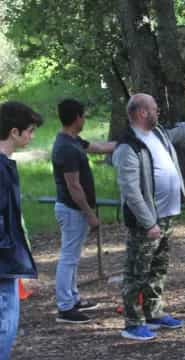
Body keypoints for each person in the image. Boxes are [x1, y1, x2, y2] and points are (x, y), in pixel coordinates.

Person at [112, 93, 185, 341]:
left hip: (167, 217)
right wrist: (148, 222)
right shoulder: (128, 147)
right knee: (137, 271)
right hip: (148, 222)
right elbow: (131, 191)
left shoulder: (159, 134)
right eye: (154, 108)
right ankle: (132, 322)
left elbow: (182, 131)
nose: (158, 111)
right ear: (141, 112)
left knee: (158, 268)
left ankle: (154, 312)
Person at [52, 99, 116, 324]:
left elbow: (98, 148)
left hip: (74, 210)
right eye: (84, 115)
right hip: (72, 210)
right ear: (77, 117)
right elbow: (74, 186)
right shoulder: (66, 148)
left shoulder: (73, 141)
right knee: (68, 258)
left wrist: (127, 142)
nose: (85, 119)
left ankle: (73, 298)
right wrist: (89, 214)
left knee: (73, 257)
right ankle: (65, 307)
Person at [0, 101, 43, 358]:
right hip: (3, 267)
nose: (32, 136)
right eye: (30, 130)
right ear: (14, 132)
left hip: (7, 264)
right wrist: (10, 256)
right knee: (4, 325)